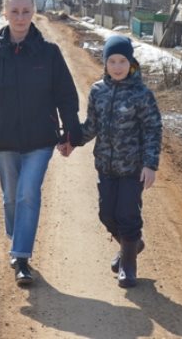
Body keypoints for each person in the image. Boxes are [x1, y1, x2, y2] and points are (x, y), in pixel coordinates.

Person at [0, 0, 81, 287]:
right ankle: (17, 235)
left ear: (34, 13)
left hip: (40, 140)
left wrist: (70, 131)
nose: (20, 18)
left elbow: (66, 96)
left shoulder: (49, 54)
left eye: (26, 11)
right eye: (15, 11)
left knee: (28, 194)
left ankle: (21, 257)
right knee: (10, 199)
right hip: (2, 140)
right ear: (4, 13)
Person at [69, 34, 162, 288]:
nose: (118, 67)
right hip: (106, 167)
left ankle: (128, 267)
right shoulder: (98, 91)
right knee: (106, 214)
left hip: (133, 169)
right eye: (113, 61)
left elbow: (153, 130)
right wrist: (71, 140)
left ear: (131, 63)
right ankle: (131, 246)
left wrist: (150, 164)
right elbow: (91, 127)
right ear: (105, 63)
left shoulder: (142, 94)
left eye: (123, 61)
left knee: (127, 214)